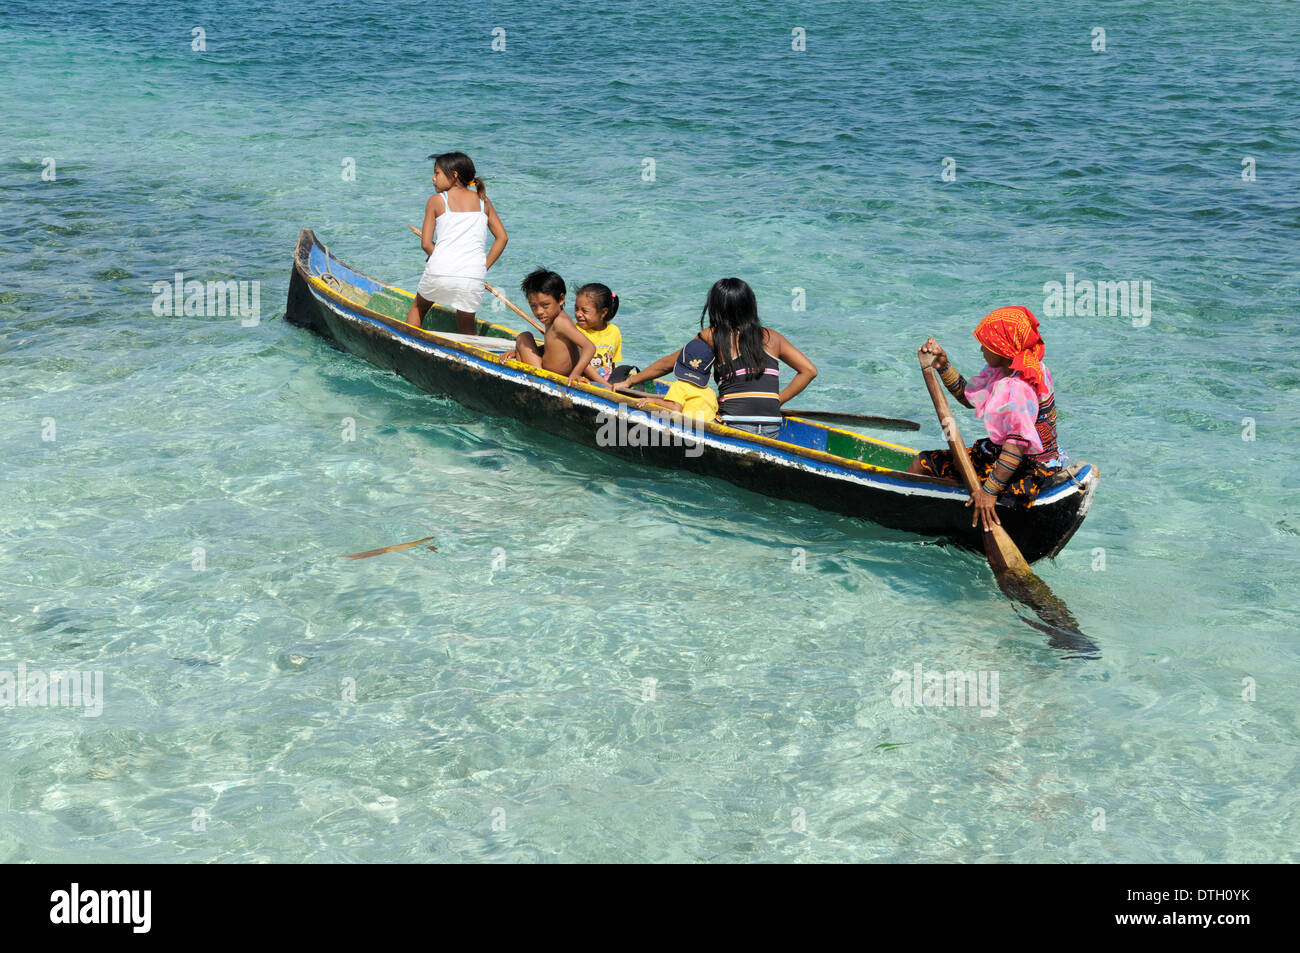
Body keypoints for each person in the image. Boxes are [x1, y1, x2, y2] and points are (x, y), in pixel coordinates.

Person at [907, 306, 1067, 531]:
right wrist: (943, 366)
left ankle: (901, 513)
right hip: (1038, 460)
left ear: (1003, 349)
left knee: (923, 462)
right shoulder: (1027, 366)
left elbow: (1017, 444)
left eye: (987, 345)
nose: (982, 349)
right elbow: (968, 396)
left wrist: (989, 491)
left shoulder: (1017, 388)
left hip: (1024, 466)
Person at [619, 278, 817, 437]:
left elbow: (669, 364)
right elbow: (809, 371)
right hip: (772, 425)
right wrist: (777, 400)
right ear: (750, 305)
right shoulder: (772, 337)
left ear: (715, 309)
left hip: (734, 424)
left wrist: (629, 382)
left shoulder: (712, 336)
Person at [406, 151, 508, 335]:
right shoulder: (483, 202)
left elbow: (426, 244)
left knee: (418, 309)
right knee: (467, 324)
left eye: (437, 173)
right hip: (473, 274)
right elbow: (502, 238)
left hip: (440, 269)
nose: (433, 178)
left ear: (454, 176)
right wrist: (482, 268)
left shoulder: (437, 201)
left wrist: (439, 258)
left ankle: (405, 344)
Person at [505, 268, 595, 387]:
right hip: (551, 372)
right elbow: (554, 347)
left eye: (545, 305)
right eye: (533, 306)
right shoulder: (552, 318)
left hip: (545, 375)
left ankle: (535, 381)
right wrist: (517, 352)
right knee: (522, 344)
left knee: (524, 337)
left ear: (561, 299)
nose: (539, 312)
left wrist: (576, 373)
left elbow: (589, 347)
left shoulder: (561, 322)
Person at [629, 337, 719, 422]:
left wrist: (653, 400)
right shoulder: (711, 392)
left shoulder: (679, 385)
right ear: (709, 374)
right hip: (706, 427)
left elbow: (675, 408)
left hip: (690, 427)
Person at [571, 283, 625, 386]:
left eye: (584, 311)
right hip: (585, 381)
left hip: (606, 381)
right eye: (576, 308)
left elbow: (612, 363)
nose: (578, 314)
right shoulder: (576, 331)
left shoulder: (614, 331)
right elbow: (584, 365)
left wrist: (612, 383)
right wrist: (607, 386)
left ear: (603, 312)